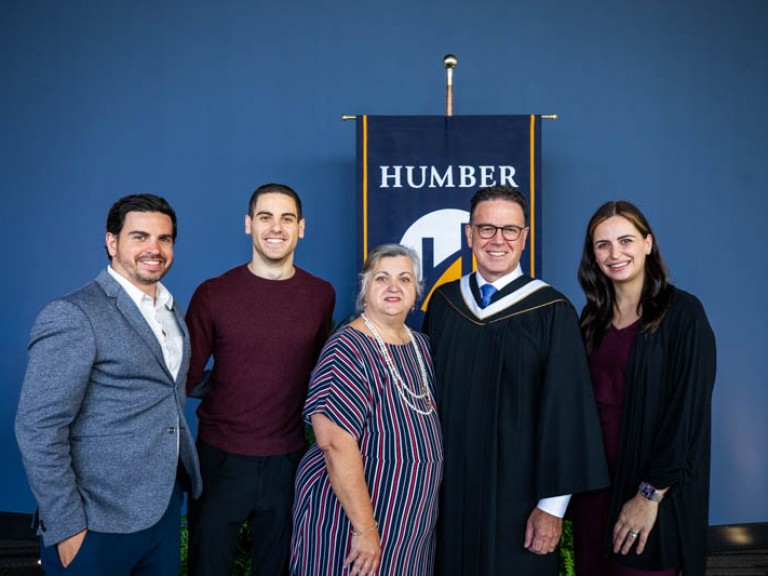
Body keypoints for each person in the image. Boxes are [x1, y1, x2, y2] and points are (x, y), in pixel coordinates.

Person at [423, 185, 609, 575]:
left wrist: (551, 507)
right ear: (469, 234)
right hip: (449, 495)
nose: (498, 240)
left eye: (510, 230)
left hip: (519, 498)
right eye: (486, 228)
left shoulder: (552, 312)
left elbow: (567, 415)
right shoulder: (444, 303)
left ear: (524, 238)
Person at [15, 194, 201, 576]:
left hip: (162, 511)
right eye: (140, 236)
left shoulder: (169, 309)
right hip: (97, 520)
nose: (154, 249)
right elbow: (38, 428)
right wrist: (67, 527)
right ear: (112, 242)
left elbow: (165, 389)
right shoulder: (74, 314)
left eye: (164, 239)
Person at [186, 183, 335, 576]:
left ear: (301, 228)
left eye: (287, 218)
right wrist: (233, 385)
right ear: (248, 224)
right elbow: (185, 375)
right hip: (220, 457)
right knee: (209, 567)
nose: (276, 227)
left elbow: (320, 373)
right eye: (265, 217)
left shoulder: (320, 295)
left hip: (287, 460)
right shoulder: (213, 293)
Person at [571, 200, 716, 576]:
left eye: (626, 240)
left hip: (648, 487)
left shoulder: (683, 314)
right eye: (602, 245)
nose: (615, 253)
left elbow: (687, 412)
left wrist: (648, 495)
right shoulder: (591, 316)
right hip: (593, 487)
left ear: (648, 244)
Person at [290, 243, 443, 576]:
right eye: (381, 278)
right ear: (364, 289)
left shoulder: (422, 346)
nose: (393, 287)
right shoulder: (348, 347)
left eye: (404, 279)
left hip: (408, 526)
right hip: (351, 524)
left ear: (417, 291)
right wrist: (364, 528)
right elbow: (333, 442)